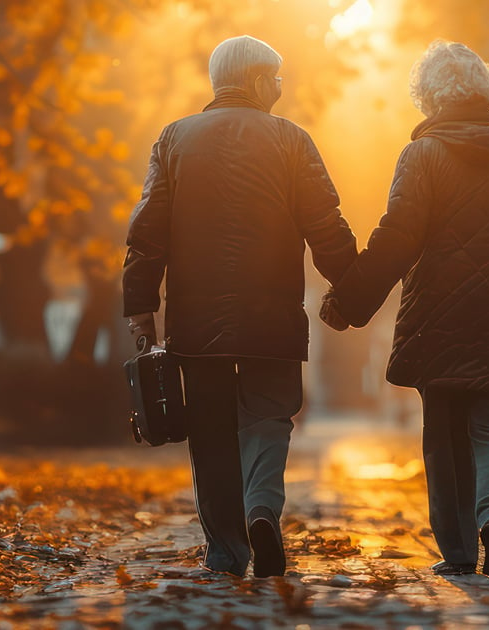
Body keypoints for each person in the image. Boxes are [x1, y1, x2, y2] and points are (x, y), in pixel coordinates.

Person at [320, 40, 489, 578]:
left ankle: (458, 551)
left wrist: (349, 300)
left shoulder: (422, 155)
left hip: (440, 315)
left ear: (427, 96)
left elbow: (397, 239)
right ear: (486, 89)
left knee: (445, 436)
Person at [123, 35, 357, 578]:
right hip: (271, 317)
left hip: (195, 322)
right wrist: (351, 289)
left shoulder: (174, 139)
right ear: (254, 80)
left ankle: (226, 550)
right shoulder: (293, 141)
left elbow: (146, 233)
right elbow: (327, 227)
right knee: (271, 416)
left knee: (209, 433)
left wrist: (140, 307)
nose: (280, 86)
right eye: (276, 76)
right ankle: (262, 510)